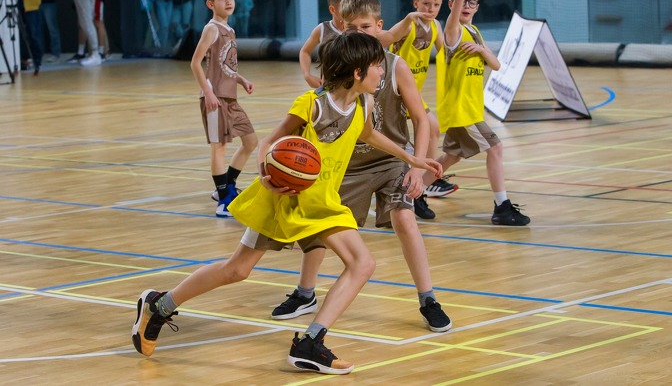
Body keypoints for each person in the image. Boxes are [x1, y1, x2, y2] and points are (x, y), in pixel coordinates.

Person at [131, 31, 442, 375]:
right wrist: (266, 173)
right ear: (357, 72)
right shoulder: (312, 104)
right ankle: (160, 305)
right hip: (284, 199)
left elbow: (367, 133)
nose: (382, 72)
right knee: (237, 270)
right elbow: (269, 142)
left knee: (362, 264)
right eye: (377, 66)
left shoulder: (364, 103)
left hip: (322, 203)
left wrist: (411, 158)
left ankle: (310, 342)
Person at [272, 0, 451, 334]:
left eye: (366, 27)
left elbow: (421, 119)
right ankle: (305, 292)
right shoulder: (338, 68)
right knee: (323, 228)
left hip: (391, 160)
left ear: (379, 26)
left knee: (404, 218)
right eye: (351, 27)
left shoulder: (394, 66)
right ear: (341, 28)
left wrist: (417, 166)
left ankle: (428, 298)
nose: (359, 33)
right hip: (347, 165)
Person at [432, 0, 530, 226]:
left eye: (472, 2)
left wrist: (482, 50)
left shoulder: (474, 32)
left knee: (451, 156)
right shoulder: (453, 31)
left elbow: (497, 65)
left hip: (472, 108)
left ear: (478, 6)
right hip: (461, 110)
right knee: (495, 148)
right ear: (453, 5)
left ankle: (408, 196)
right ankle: (502, 207)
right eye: (462, 1)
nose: (467, 5)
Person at [386, 0, 459, 220]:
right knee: (399, 144)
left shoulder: (436, 25)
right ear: (416, 3)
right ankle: (410, 187)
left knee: (433, 129)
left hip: (413, 93)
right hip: (395, 92)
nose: (431, 9)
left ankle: (423, 185)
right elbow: (386, 38)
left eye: (436, 5)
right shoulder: (408, 24)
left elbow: (446, 53)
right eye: (426, 4)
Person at [186, 0, 258, 217]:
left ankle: (227, 186)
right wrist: (207, 92)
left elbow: (225, 65)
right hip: (215, 97)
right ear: (210, 4)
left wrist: (242, 80)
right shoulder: (212, 29)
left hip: (230, 98)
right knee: (220, 147)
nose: (228, 2)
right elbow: (195, 63)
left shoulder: (230, 30)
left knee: (251, 141)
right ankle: (224, 199)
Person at [299, 0, 354, 88]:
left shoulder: (359, 29)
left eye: (353, 7)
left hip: (354, 90)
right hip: (329, 89)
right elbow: (305, 51)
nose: (351, 11)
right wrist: (307, 75)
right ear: (333, 9)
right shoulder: (322, 29)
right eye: (346, 7)